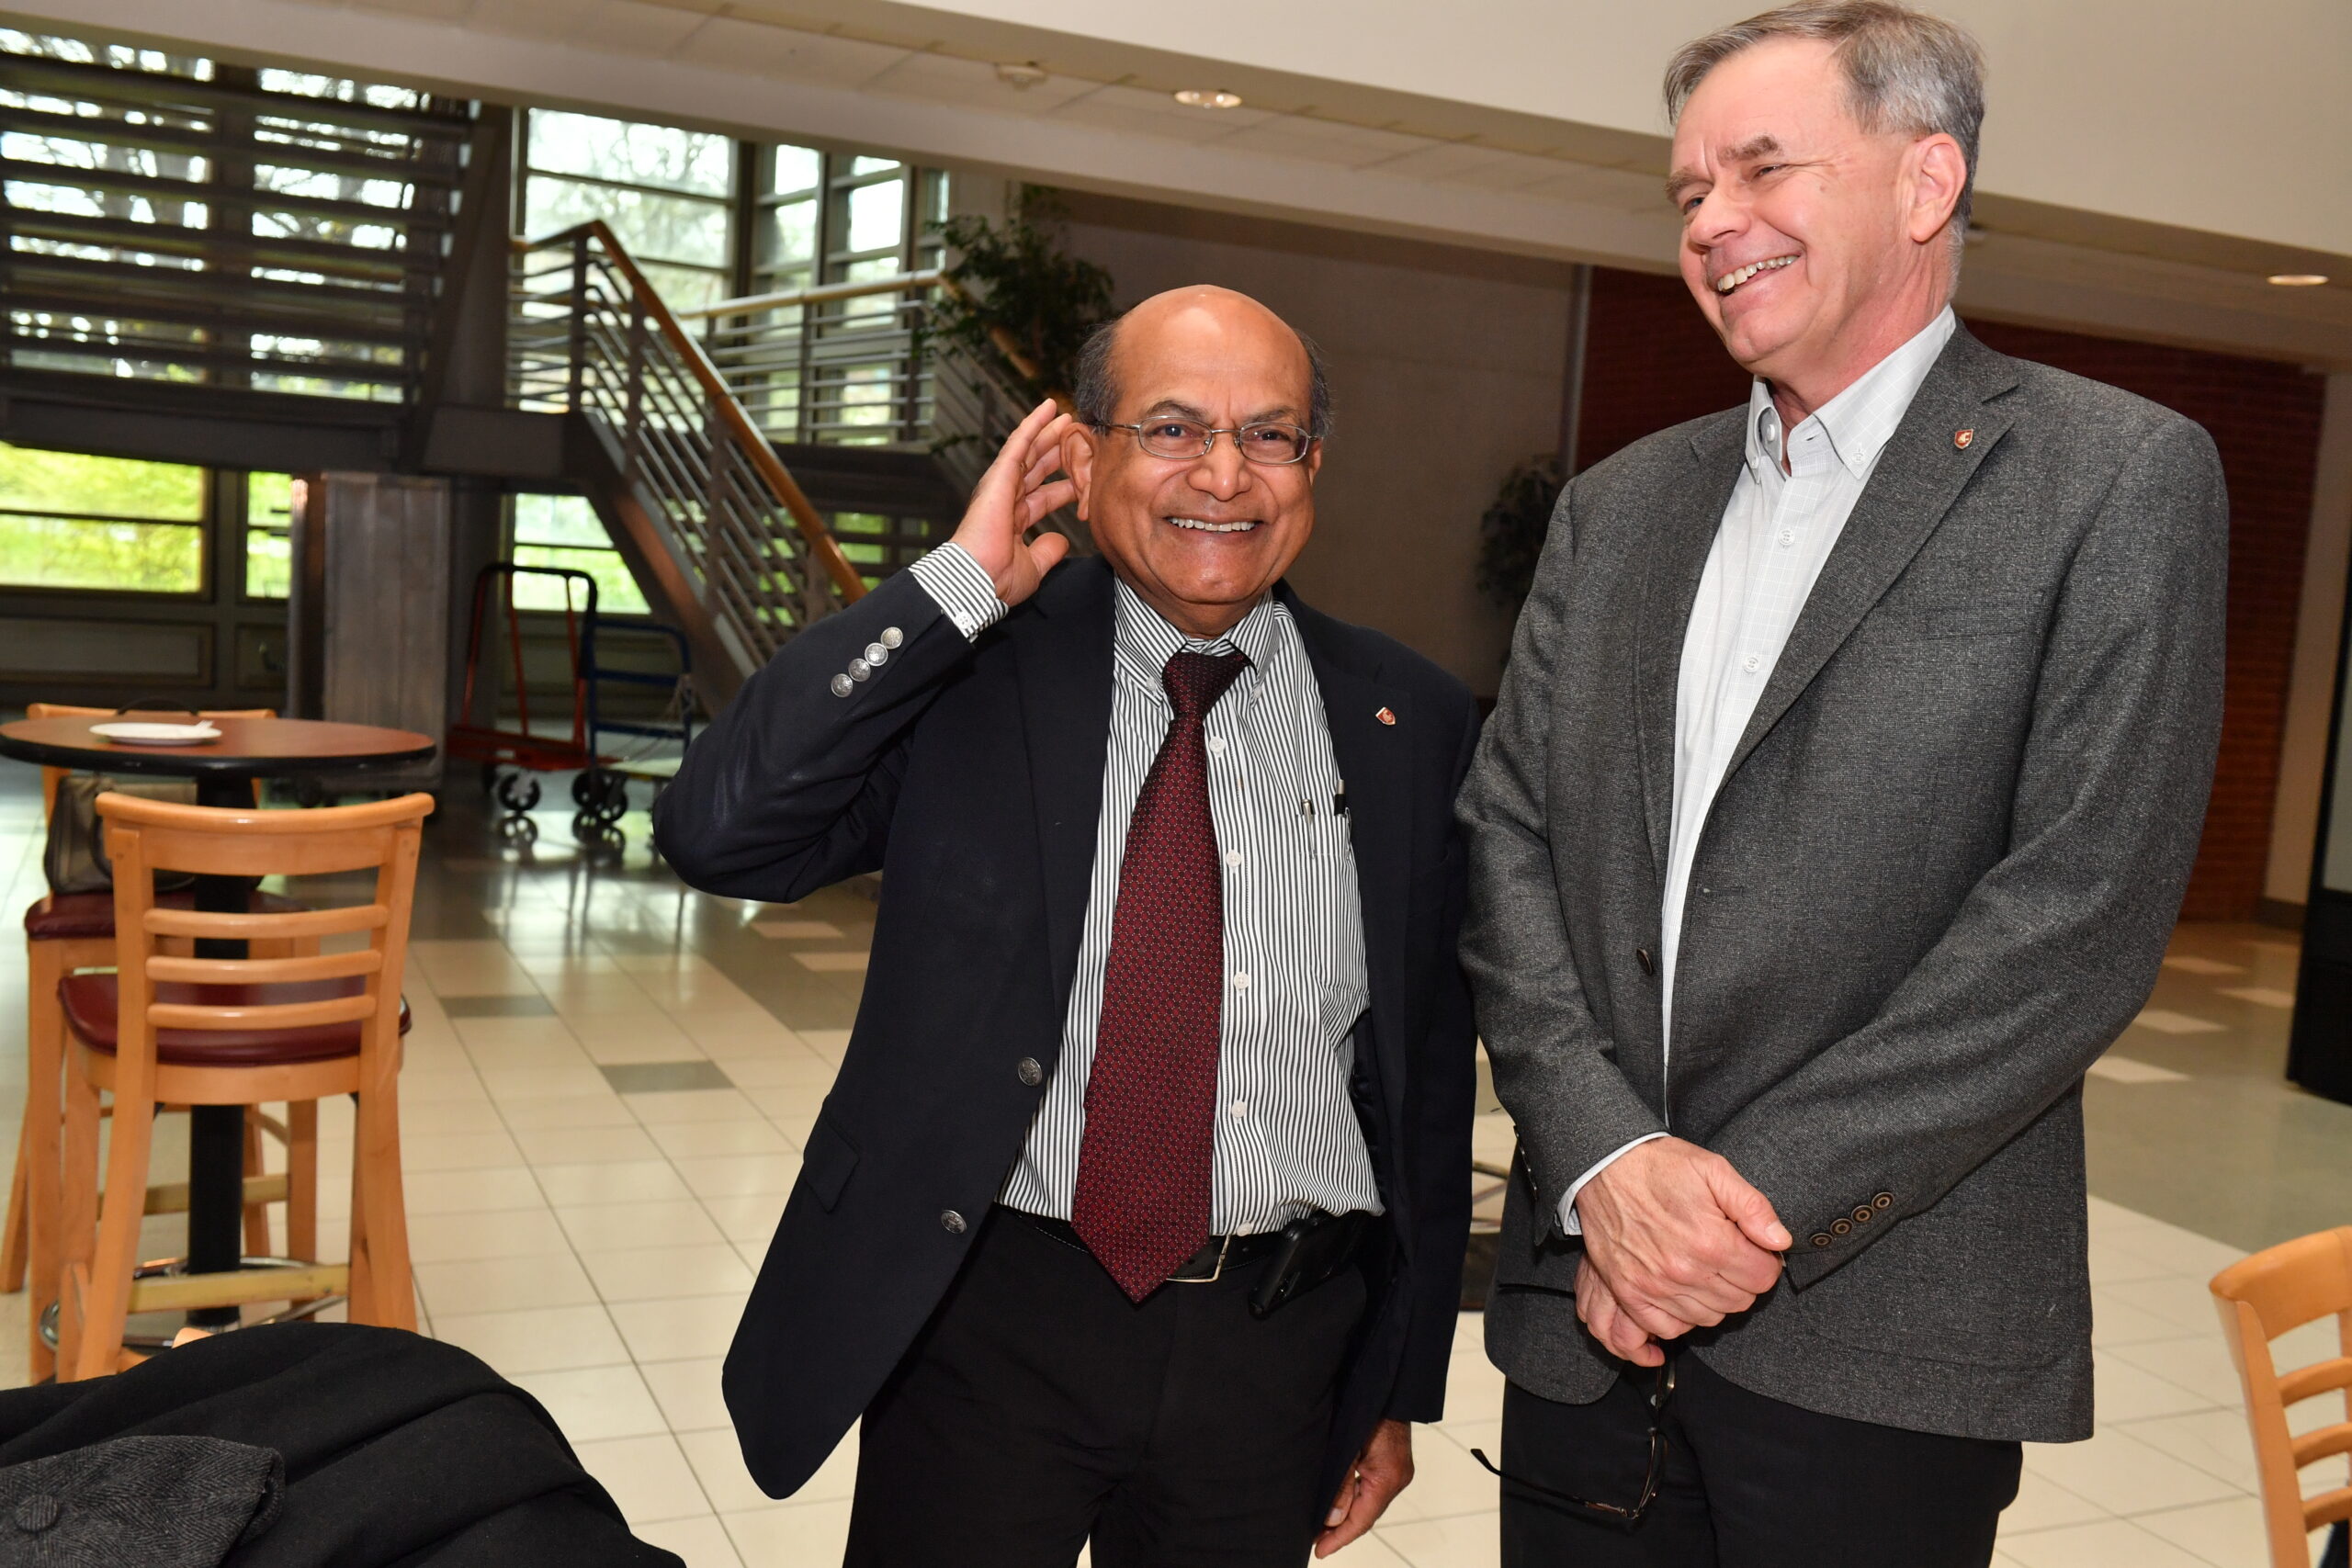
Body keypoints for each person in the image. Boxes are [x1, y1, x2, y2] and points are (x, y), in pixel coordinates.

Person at [1456, 3, 2228, 1563]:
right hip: (1587, 1313)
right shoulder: (1619, 507)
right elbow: (1507, 838)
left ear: (1927, 181)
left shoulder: (2116, 479)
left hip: (1882, 1332)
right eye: (1688, 192)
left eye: (1761, 170)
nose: (1711, 223)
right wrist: (1610, 1162)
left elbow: (2075, 918)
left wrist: (1727, 1213)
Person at [654, 285, 1480, 1566]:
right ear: (1082, 461)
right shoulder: (972, 671)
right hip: (989, 1322)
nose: (1225, 476)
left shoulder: (1407, 718)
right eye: (1173, 428)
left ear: (1312, 468)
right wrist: (955, 588)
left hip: (1276, 1346)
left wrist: (1395, 1381)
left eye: (1269, 435)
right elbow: (719, 829)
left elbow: (1425, 1073)